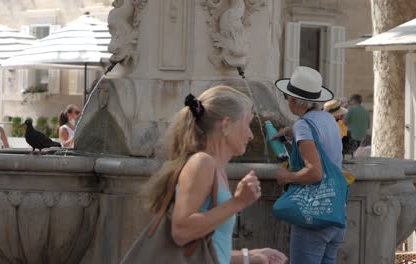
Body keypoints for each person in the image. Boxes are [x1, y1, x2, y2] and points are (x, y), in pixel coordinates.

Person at [143, 86, 287, 264]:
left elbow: (208, 249)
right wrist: (238, 202)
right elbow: (181, 232)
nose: (250, 135)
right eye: (247, 124)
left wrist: (250, 257)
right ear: (226, 125)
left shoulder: (216, 169)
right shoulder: (202, 163)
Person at [272, 66, 345, 264]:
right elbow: (322, 144)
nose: (287, 101)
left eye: (287, 97)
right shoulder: (329, 119)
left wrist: (287, 177)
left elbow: (315, 173)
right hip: (335, 213)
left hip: (313, 218)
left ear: (294, 100)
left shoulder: (303, 125)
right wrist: (291, 132)